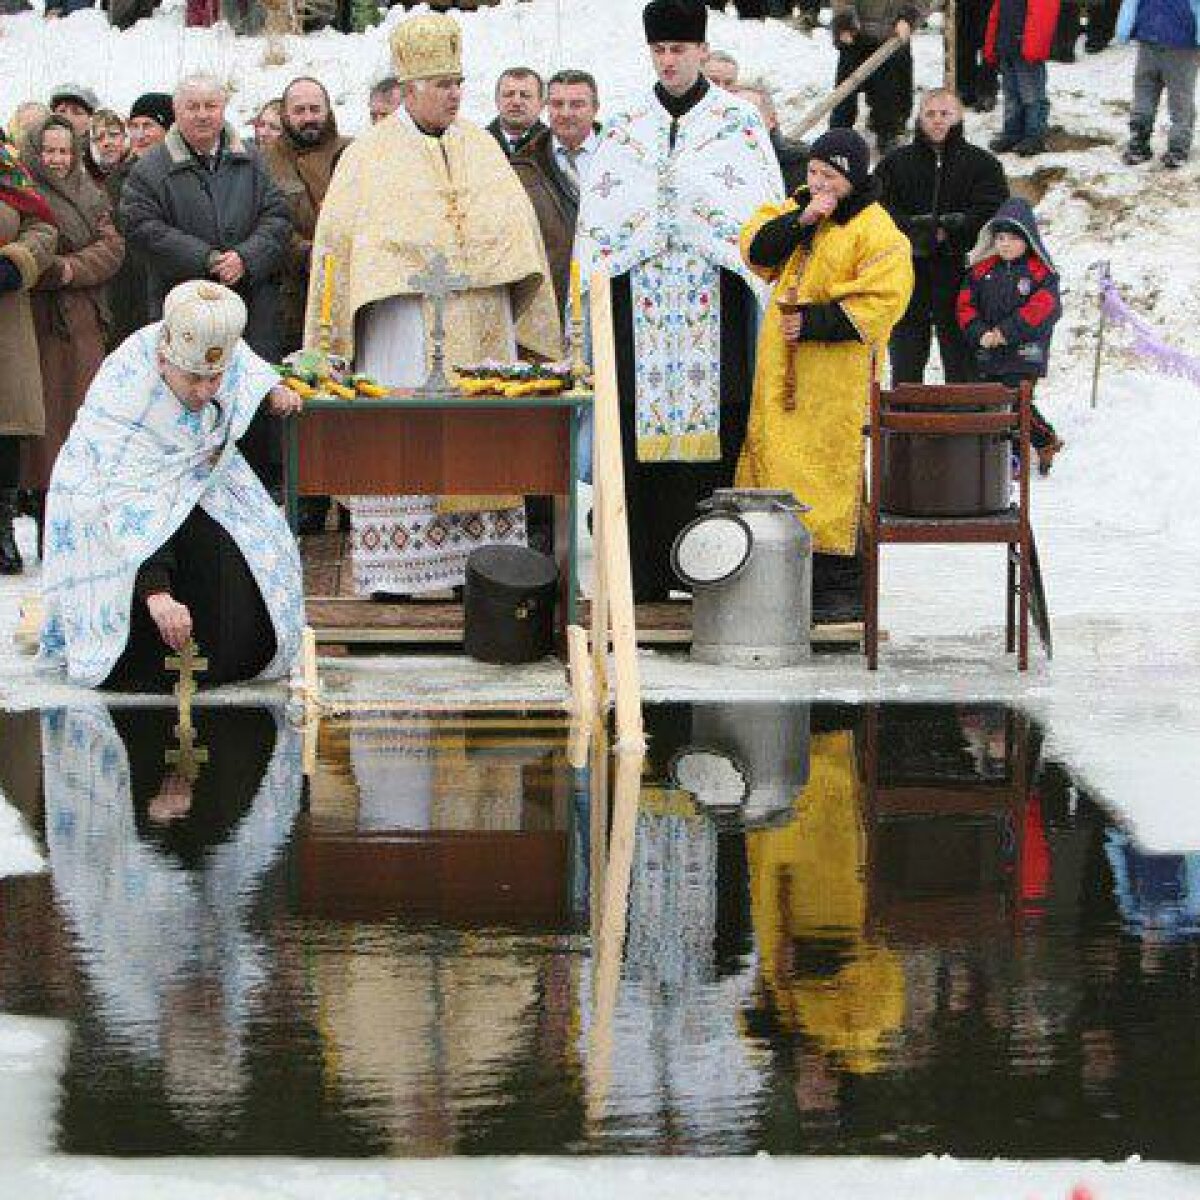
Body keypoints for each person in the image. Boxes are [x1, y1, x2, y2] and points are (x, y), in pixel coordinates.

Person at [305, 14, 560, 597]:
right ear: (409, 88)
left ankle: (482, 576)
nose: (454, 94)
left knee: (480, 444)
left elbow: (514, 231)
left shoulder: (482, 147)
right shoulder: (369, 155)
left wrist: (486, 266)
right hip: (402, 328)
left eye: (457, 81)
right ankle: (395, 579)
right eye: (442, 83)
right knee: (403, 445)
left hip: (479, 323)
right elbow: (340, 249)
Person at [575, 0, 784, 602]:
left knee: (718, 426)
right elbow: (601, 219)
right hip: (637, 299)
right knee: (635, 436)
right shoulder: (624, 126)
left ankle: (711, 573)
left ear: (700, 50)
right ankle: (642, 574)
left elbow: (759, 213)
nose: (668, 61)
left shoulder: (737, 124)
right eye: (659, 51)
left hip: (712, 297)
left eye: (678, 50)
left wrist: (707, 231)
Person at [39, 281, 304, 690]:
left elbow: (242, 362)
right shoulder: (125, 394)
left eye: (214, 380)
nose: (204, 392)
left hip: (199, 470)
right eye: (193, 379)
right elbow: (126, 500)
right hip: (104, 505)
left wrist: (271, 388)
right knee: (184, 541)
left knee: (261, 536)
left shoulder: (211, 350)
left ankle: (243, 652)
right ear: (164, 360)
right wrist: (156, 593)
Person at [738, 128, 913, 621]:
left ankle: (838, 591)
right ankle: (776, 576)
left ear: (852, 179)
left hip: (836, 381)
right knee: (774, 462)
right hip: (782, 375)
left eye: (830, 176)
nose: (818, 183)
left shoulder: (876, 230)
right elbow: (756, 248)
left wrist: (815, 321)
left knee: (828, 478)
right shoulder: (797, 208)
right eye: (814, 172)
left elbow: (886, 299)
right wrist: (803, 219)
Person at [121, 74, 291, 489]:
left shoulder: (250, 159)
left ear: (223, 109)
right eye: (192, 107)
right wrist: (205, 258)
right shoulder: (152, 167)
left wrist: (246, 258)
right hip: (184, 312)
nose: (202, 115)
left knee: (249, 406)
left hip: (250, 307)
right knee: (193, 407)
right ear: (177, 112)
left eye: (210, 106)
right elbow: (140, 225)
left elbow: (278, 216)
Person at [21, 115, 124, 536]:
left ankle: (82, 521)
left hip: (86, 320)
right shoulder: (23, 193)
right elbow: (31, 255)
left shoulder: (91, 191)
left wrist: (69, 268)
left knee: (83, 422)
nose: (57, 159)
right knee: (46, 430)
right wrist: (56, 267)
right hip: (41, 322)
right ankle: (46, 518)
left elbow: (113, 248)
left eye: (64, 150)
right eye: (49, 151)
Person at [264, 76, 350, 536]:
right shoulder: (265, 163)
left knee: (349, 397)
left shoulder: (353, 154)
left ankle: (354, 500)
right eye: (299, 110)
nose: (308, 118)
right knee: (301, 400)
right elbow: (269, 224)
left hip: (350, 298)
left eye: (315, 108)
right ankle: (309, 498)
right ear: (284, 114)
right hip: (293, 299)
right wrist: (314, 254)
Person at [876, 88, 1009, 384]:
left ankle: (962, 424)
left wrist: (952, 229)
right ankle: (905, 424)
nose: (937, 121)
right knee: (906, 358)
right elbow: (879, 210)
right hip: (909, 272)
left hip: (961, 272)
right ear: (919, 118)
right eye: (930, 114)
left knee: (962, 357)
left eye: (945, 114)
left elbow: (992, 211)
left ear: (959, 116)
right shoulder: (894, 164)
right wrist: (915, 231)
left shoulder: (983, 164)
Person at [955, 196, 1065, 473]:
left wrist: (1005, 332)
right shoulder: (981, 271)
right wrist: (980, 333)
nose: (1005, 244)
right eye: (1000, 238)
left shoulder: (1040, 272)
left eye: (1012, 238)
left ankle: (1014, 457)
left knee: (1017, 400)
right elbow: (965, 305)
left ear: (1027, 239)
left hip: (1025, 351)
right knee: (994, 400)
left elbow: (1044, 308)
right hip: (989, 348)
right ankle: (1044, 439)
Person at [0, 140, 58, 576]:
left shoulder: (6, 162)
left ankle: (1, 531)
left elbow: (42, 226)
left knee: (4, 428)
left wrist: (18, 261)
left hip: (3, 316)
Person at [511, 69, 600, 311]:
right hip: (551, 300)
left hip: (607, 296)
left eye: (577, 104)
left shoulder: (622, 159)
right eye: (557, 104)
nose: (565, 113)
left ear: (596, 108)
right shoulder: (522, 168)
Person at [107, 92, 174, 349]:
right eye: (134, 126)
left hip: (169, 282)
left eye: (148, 126)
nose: (140, 134)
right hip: (128, 287)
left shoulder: (184, 175)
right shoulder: (117, 179)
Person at [829, 0, 922, 158]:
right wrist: (844, 20)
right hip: (856, 31)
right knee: (845, 95)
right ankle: (838, 135)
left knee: (889, 92)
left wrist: (908, 17)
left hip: (893, 35)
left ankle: (887, 132)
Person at [1118, 0, 1200, 169]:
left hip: (1149, 36)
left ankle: (1138, 144)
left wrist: (1124, 30)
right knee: (1181, 99)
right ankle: (1178, 150)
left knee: (1145, 93)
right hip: (1182, 43)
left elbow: (1130, 3)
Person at [984, 0, 1061, 156]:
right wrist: (993, 44)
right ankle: (1012, 132)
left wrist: (1034, 47)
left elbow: (1043, 16)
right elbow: (997, 14)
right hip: (1007, 45)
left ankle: (1034, 135)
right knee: (1011, 95)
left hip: (1027, 48)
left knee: (1032, 96)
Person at [737, 80, 809, 191]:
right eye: (733, 113)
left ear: (772, 120)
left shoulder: (805, 165)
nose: (739, 121)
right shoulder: (711, 159)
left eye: (750, 114)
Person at [487, 67, 547, 157]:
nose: (516, 102)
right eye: (508, 94)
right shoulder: (477, 142)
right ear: (497, 100)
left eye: (525, 95)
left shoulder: (553, 146)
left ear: (541, 104)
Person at [84, 108, 128, 192]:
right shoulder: (86, 181)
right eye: (99, 138)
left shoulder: (139, 173)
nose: (107, 142)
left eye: (113, 135)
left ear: (126, 137)